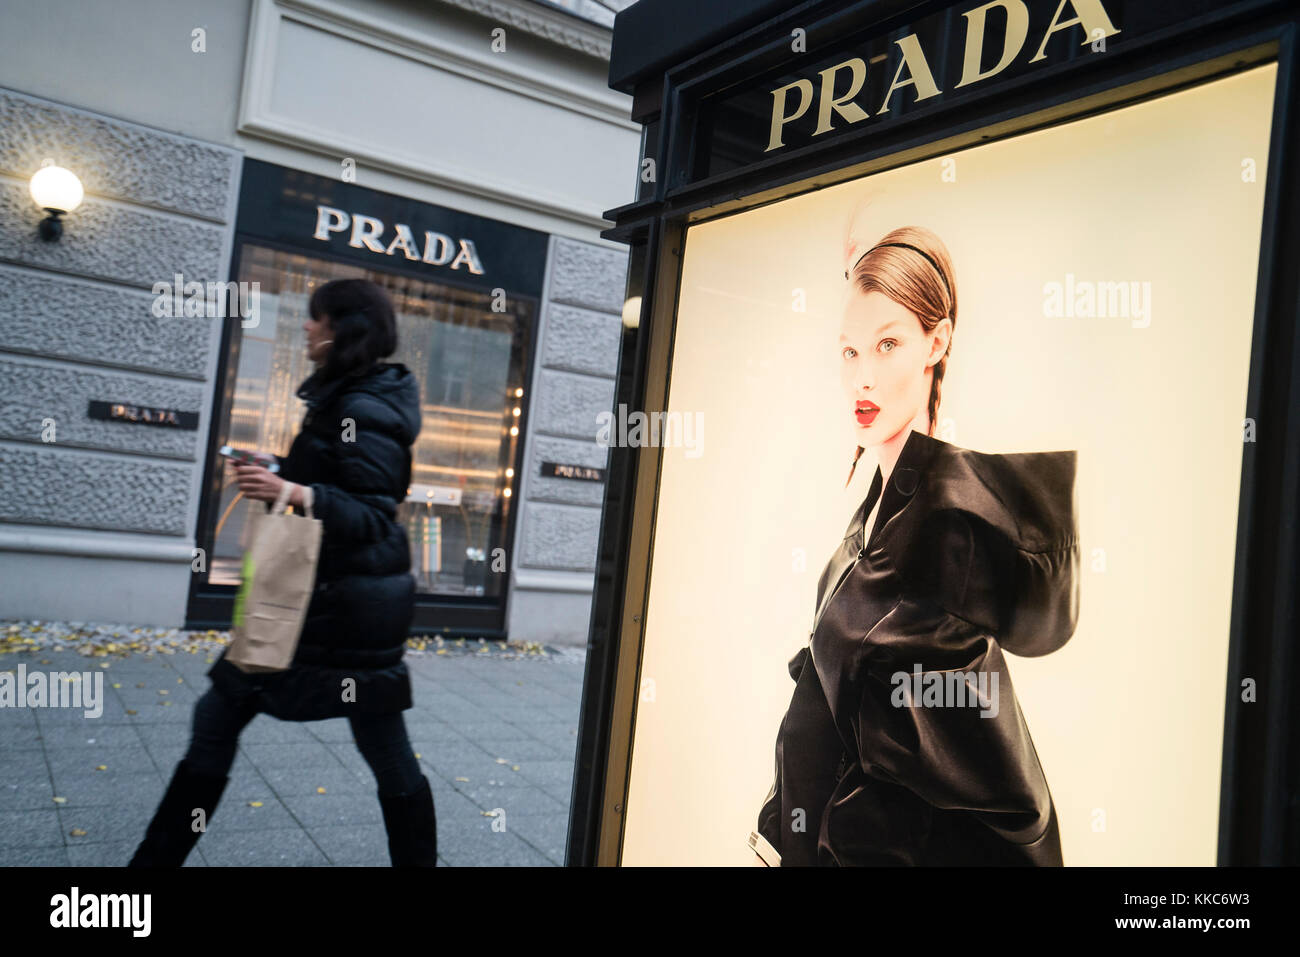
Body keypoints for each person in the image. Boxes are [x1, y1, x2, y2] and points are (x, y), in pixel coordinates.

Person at [751, 225, 1080, 866]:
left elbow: (913, 789)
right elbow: (832, 705)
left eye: (887, 344)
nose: (862, 377)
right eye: (848, 352)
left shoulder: (943, 527)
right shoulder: (880, 508)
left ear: (938, 341)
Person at [129, 278, 436, 867]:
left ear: (344, 328)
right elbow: (339, 480)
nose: (306, 327)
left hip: (338, 611)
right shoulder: (349, 395)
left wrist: (287, 488)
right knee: (233, 716)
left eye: (315, 318)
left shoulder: (364, 404)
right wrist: (280, 468)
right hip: (318, 603)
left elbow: (374, 513)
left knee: (376, 744)